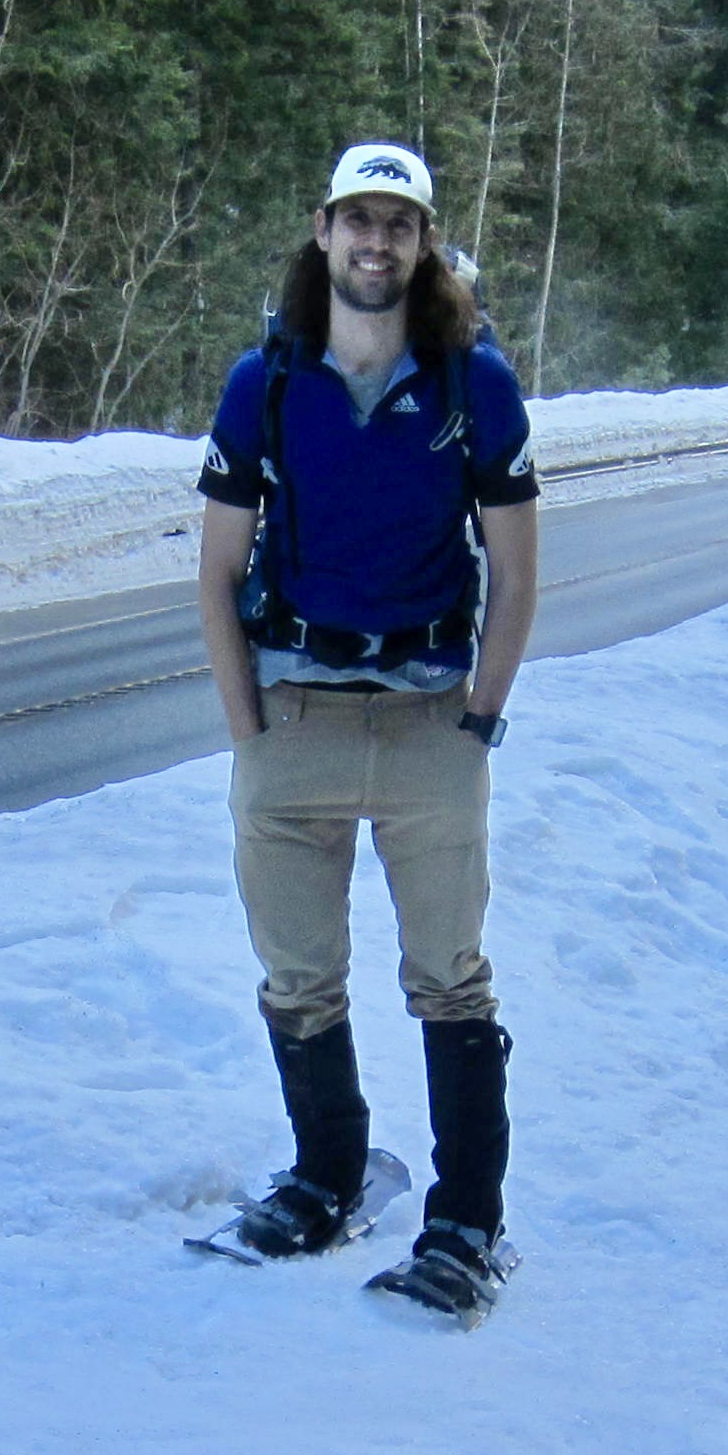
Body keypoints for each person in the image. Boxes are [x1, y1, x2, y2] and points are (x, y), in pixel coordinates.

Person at [193, 141, 541, 1319]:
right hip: (292, 716)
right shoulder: (266, 383)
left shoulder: (472, 385)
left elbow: (516, 570)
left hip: (429, 721)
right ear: (323, 229)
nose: (376, 241)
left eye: (399, 223)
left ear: (424, 242)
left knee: (450, 980)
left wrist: (478, 718)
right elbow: (216, 571)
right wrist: (247, 730)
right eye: (359, 219)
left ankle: (465, 1222)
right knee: (298, 977)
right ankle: (327, 1174)